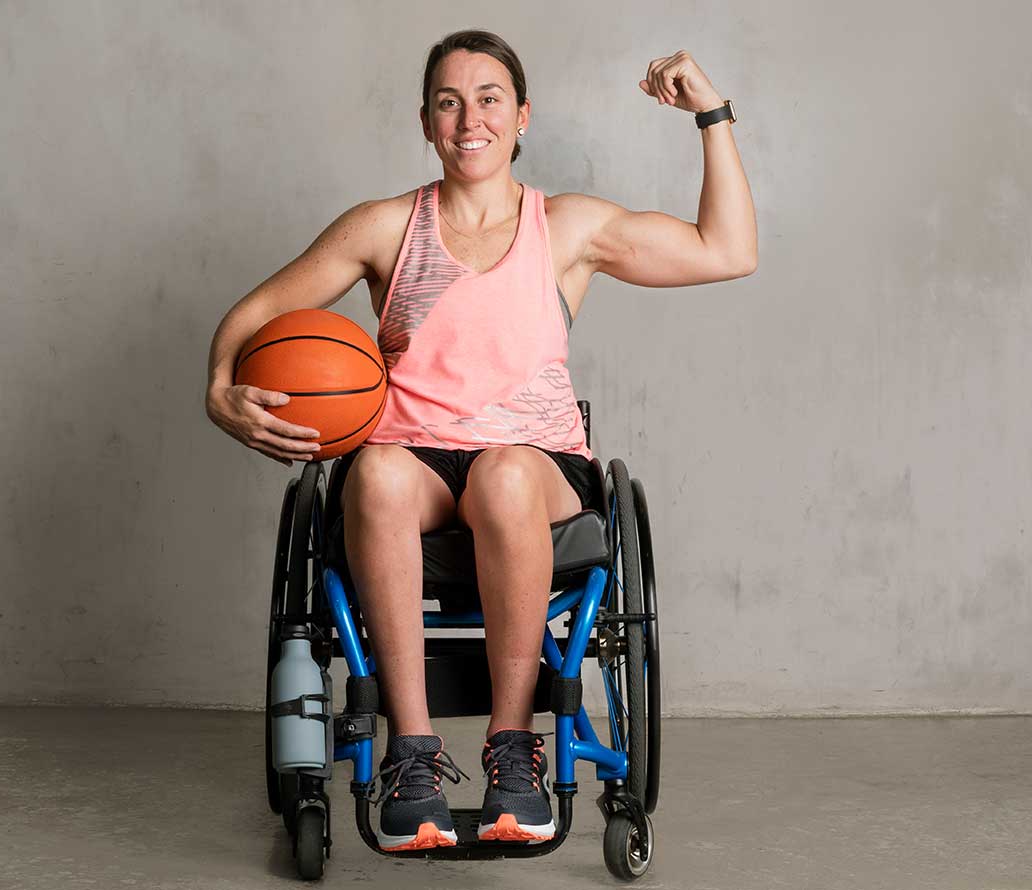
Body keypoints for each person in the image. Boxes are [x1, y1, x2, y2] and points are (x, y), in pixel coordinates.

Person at [205, 29, 757, 852]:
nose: (471, 119)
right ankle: (414, 756)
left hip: (535, 464)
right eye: (450, 102)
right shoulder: (385, 228)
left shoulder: (566, 227)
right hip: (414, 461)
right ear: (427, 122)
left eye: (490, 98)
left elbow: (729, 250)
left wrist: (711, 113)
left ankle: (513, 752)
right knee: (380, 474)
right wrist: (221, 390)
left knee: (500, 475)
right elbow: (256, 314)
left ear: (523, 115)